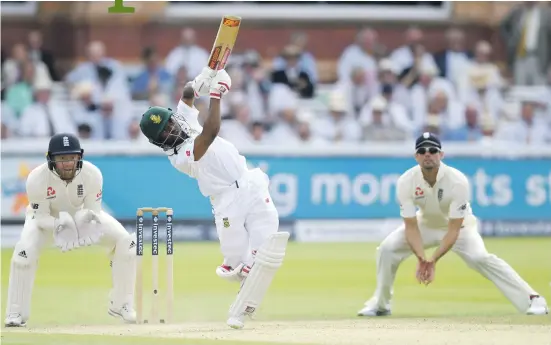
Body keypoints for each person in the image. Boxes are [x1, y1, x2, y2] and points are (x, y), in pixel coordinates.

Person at [139, 67, 290, 329]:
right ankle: (236, 270)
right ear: (158, 142)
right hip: (226, 202)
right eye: (163, 132)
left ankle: (242, 305)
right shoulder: (179, 157)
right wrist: (217, 94)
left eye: (169, 124)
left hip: (251, 184)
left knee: (265, 253)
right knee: (236, 261)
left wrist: (200, 81)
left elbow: (186, 95)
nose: (171, 130)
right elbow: (210, 131)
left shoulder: (183, 120)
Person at [357, 132, 549, 317]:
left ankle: (533, 299)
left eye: (432, 150)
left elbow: (454, 229)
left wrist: (433, 260)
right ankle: (381, 304)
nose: (428, 155)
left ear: (441, 154)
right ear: (416, 156)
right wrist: (422, 258)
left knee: (480, 258)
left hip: (461, 227)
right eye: (422, 151)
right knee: (387, 249)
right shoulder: (406, 181)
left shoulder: (457, 181)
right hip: (425, 224)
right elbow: (411, 227)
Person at [5, 133, 138, 327]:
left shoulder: (92, 174)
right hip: (45, 222)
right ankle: (15, 313)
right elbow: (40, 217)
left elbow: (94, 212)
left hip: (82, 218)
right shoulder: (36, 178)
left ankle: (122, 303)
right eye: (62, 158)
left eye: (72, 158)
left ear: (79, 157)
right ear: (51, 159)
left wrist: (82, 225)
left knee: (127, 242)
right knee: (23, 254)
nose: (68, 163)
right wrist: (59, 225)